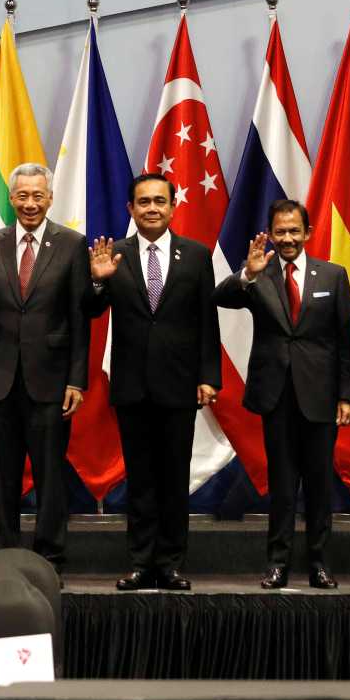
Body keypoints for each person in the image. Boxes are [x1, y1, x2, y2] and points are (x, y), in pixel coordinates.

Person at [86, 173, 220, 591]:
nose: (152, 209)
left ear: (173, 206)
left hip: (180, 387)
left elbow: (207, 322)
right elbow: (90, 310)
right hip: (132, 386)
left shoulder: (196, 256)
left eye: (159, 201)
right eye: (143, 202)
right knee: (141, 481)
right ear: (131, 209)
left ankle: (171, 564)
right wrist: (97, 280)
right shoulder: (115, 255)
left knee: (174, 480)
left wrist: (208, 376)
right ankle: (141, 563)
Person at [214, 199, 350, 590]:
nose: (288, 238)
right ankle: (277, 563)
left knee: (319, 487)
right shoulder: (260, 272)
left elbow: (345, 339)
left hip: (321, 396)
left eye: (295, 231)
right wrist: (246, 273)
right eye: (281, 232)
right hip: (275, 395)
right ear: (271, 235)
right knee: (281, 485)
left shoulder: (333, 275)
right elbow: (221, 296)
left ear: (308, 234)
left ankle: (319, 564)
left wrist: (348, 396)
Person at [0, 162, 88, 569]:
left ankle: (50, 559)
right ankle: (5, 560)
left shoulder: (71, 244)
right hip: (1, 381)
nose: (30, 203)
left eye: (38, 195)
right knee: (2, 480)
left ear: (50, 198)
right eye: (22, 196)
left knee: (50, 480)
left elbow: (81, 318)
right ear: (11, 199)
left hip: (51, 381)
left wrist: (76, 381)